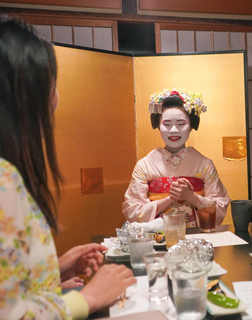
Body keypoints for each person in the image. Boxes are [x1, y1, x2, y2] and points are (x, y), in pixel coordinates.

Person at [0, 17, 136, 319]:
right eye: (50, 82)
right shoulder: (3, 180)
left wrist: (53, 267)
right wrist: (88, 298)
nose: (56, 96)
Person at [122, 89, 230, 227]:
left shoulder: (205, 165)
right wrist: (170, 198)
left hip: (196, 239)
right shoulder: (144, 166)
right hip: (157, 239)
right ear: (158, 126)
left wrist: (191, 197)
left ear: (191, 126)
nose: (173, 130)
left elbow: (219, 209)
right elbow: (132, 212)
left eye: (181, 124)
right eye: (167, 124)